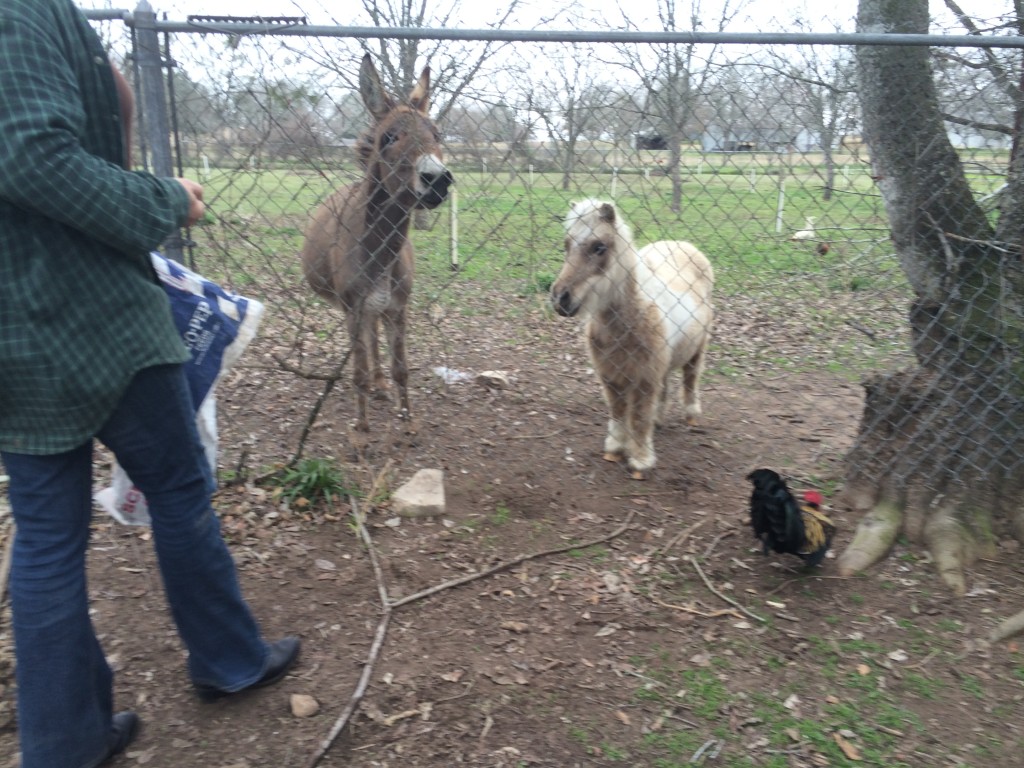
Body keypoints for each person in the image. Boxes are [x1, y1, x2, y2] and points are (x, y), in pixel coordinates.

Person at [0, 2, 300, 766]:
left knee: (46, 536)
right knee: (177, 485)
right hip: (88, 313)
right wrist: (161, 199)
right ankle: (229, 661)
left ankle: (65, 743)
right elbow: (34, 155)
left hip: (11, 330)